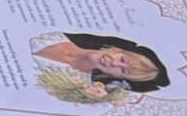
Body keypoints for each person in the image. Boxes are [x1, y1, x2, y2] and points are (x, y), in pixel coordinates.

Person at [33, 33, 171, 92]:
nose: (115, 64)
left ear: (116, 76)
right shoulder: (55, 35)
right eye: (122, 59)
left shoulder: (75, 83)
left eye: (123, 70)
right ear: (116, 49)